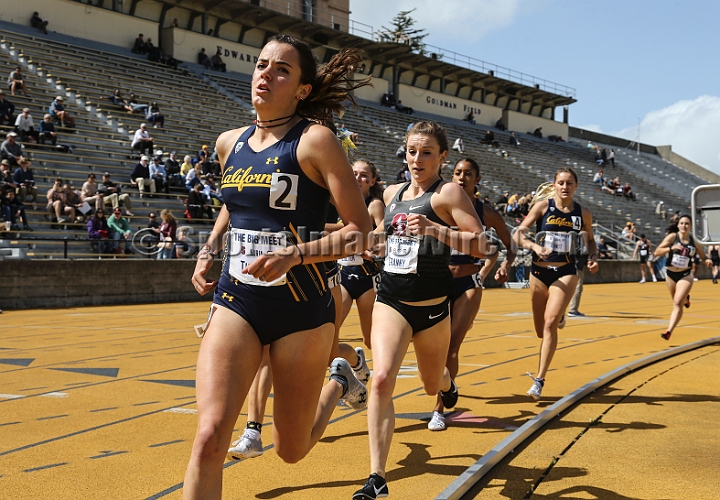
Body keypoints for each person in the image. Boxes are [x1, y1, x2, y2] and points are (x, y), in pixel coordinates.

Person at [183, 34, 373, 498]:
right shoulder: (230, 143)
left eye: (281, 69)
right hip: (238, 299)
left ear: (303, 89)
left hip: (301, 309)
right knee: (209, 436)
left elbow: (361, 231)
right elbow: (235, 202)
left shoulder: (315, 141)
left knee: (292, 449)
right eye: (261, 64)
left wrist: (296, 253)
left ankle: (340, 379)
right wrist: (209, 246)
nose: (266, 74)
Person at [354, 122, 491, 499]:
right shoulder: (393, 191)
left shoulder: (448, 193)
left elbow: (480, 244)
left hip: (432, 309)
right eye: (412, 151)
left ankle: (447, 385)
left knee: (432, 382)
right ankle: (377, 478)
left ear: (442, 157)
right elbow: (383, 235)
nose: (417, 159)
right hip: (391, 300)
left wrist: (434, 228)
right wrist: (374, 247)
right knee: (381, 379)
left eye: (426, 152)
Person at [428, 157, 515, 431]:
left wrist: (502, 266)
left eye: (468, 174)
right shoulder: (439, 203)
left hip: (469, 282)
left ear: (478, 179)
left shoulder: (485, 212)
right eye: (457, 173)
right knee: (433, 344)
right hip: (438, 280)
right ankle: (448, 384)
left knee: (451, 345)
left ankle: (438, 410)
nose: (461, 177)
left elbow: (507, 244)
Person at [512, 168, 599, 401]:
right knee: (541, 330)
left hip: (566, 271)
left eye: (569, 183)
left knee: (550, 324)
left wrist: (593, 257)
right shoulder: (542, 207)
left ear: (575, 186)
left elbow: (590, 240)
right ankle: (559, 315)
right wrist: (535, 247)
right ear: (554, 184)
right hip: (539, 272)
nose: (565, 187)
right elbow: (518, 234)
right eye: (561, 182)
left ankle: (539, 380)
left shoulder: (583, 214)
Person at [337, 159, 385, 351]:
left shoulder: (374, 205)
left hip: (368, 277)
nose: (358, 178)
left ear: (372, 181)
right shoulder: (339, 200)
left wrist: (370, 249)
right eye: (354, 173)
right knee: (329, 332)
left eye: (364, 175)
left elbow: (384, 235)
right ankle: (356, 364)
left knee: (370, 340)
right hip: (342, 274)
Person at [654, 215, 712, 340]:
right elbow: (657, 252)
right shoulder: (672, 237)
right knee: (678, 300)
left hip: (685, 275)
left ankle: (669, 330)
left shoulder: (694, 241)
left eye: (686, 223)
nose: (684, 226)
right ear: (678, 225)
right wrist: (671, 248)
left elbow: (703, 256)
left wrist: (707, 261)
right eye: (681, 223)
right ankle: (687, 300)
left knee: (677, 303)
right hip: (670, 275)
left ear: (691, 226)